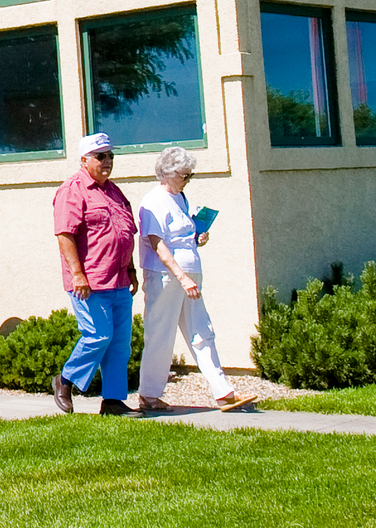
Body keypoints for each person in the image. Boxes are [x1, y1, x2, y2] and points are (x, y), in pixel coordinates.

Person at [135, 145, 245, 410]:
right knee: (160, 334)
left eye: (190, 175)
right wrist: (182, 277)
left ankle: (223, 391)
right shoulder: (153, 202)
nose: (187, 180)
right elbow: (158, 245)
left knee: (202, 331)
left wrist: (199, 237)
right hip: (165, 277)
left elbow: (185, 236)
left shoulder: (181, 198)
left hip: (190, 274)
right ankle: (149, 395)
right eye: (184, 175)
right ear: (168, 173)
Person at [50, 133, 138, 415]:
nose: (107, 161)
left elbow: (125, 234)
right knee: (98, 336)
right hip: (90, 282)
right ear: (84, 160)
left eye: (111, 155)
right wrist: (78, 274)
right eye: (101, 156)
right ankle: (65, 380)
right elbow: (65, 235)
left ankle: (112, 401)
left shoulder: (114, 191)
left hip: (119, 281)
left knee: (119, 344)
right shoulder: (72, 190)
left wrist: (131, 268)